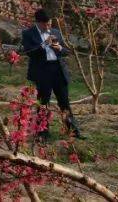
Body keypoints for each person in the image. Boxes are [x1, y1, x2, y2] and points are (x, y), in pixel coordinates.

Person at [20, 8, 85, 140]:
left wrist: (60, 48)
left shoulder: (56, 32)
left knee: (64, 102)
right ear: (38, 23)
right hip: (42, 71)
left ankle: (72, 131)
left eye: (50, 24)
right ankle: (42, 133)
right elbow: (29, 52)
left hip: (58, 70)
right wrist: (44, 44)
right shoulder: (28, 33)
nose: (49, 27)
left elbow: (65, 51)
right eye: (46, 24)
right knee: (43, 103)